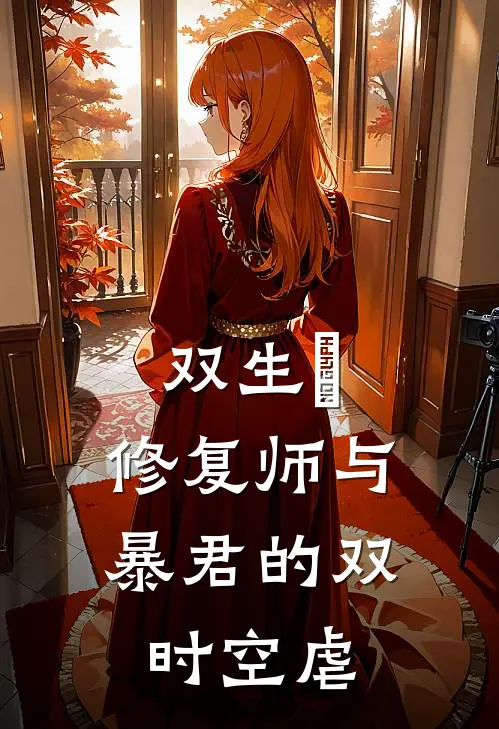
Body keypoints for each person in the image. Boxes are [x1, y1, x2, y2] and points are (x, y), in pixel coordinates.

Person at [104, 29, 411, 729]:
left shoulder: (199, 206)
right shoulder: (330, 207)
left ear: (253, 110)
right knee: (287, 538)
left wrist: (166, 392)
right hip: (294, 395)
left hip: (214, 397)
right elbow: (332, 328)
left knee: (212, 538)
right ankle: (289, 651)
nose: (208, 122)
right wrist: (319, 409)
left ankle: (209, 664)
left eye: (214, 105)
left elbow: (173, 335)